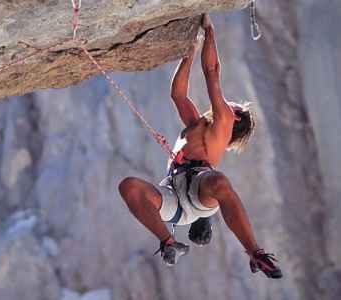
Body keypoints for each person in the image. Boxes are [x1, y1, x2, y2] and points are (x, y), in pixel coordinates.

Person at [118, 14, 282, 279]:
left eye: (234, 105)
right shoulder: (195, 124)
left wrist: (210, 33)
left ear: (235, 117)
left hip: (198, 188)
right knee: (129, 186)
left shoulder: (224, 122)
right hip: (174, 194)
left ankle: (255, 253)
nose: (228, 103)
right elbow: (178, 95)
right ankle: (170, 243)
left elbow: (212, 72)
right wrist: (189, 52)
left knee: (219, 182)